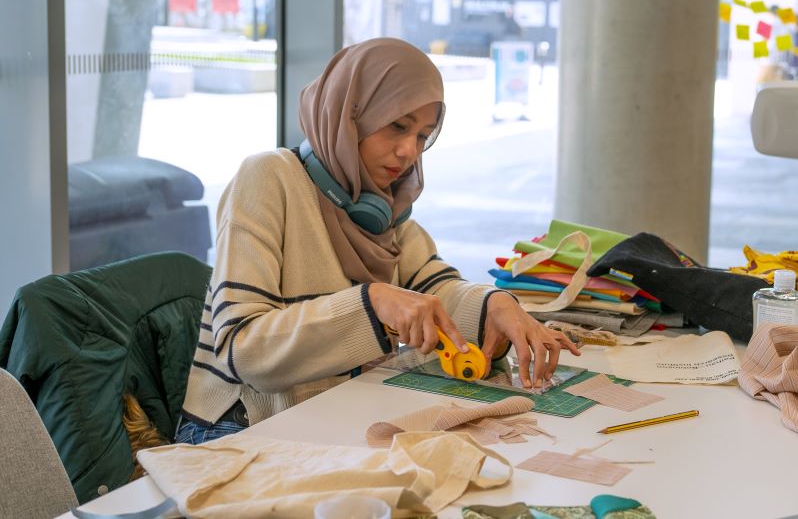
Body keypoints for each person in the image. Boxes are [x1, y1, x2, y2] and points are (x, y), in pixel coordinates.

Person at [176, 38, 578, 445]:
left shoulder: (380, 203)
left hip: (336, 411)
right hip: (241, 426)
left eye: (423, 135)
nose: (408, 152)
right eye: (397, 126)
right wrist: (374, 303)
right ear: (351, 115)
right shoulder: (267, 178)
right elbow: (243, 350)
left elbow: (432, 288)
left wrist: (495, 304)